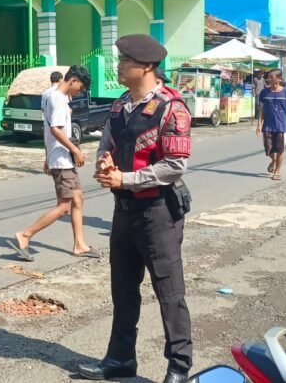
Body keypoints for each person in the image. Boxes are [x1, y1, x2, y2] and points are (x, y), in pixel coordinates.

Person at [79, 34, 194, 383]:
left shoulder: (172, 107)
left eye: (124, 62)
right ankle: (120, 360)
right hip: (124, 211)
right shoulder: (119, 106)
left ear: (146, 67)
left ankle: (178, 367)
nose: (118, 66)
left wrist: (125, 179)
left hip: (158, 212)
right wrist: (104, 164)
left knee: (169, 294)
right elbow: (106, 144)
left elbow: (175, 165)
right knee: (123, 291)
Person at [7, 65, 98, 261]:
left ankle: (79, 244)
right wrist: (75, 150)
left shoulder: (52, 95)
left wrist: (47, 156)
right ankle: (25, 234)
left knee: (78, 199)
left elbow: (48, 128)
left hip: (60, 158)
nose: (79, 92)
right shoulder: (57, 99)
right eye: (80, 88)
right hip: (62, 159)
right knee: (64, 206)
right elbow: (56, 129)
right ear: (72, 80)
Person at [256, 69, 286, 181]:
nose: (269, 79)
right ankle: (274, 160)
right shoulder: (264, 93)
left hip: (282, 125)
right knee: (268, 150)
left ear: (279, 79)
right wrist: (259, 124)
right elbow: (261, 109)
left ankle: (277, 172)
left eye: (272, 77)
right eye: (268, 77)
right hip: (268, 125)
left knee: (279, 150)